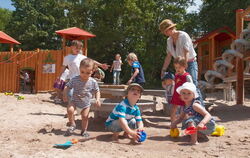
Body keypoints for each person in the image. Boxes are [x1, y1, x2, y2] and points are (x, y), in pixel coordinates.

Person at [159, 19, 204, 105]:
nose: (165, 33)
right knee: (182, 87)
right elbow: (168, 56)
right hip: (179, 65)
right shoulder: (169, 40)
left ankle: (200, 109)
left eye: (165, 31)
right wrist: (163, 69)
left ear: (171, 28)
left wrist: (184, 67)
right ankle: (188, 110)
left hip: (189, 63)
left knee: (192, 85)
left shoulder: (183, 35)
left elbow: (186, 52)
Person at [63, 58, 101, 137]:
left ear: (92, 72)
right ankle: (72, 124)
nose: (84, 74)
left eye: (87, 73)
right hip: (75, 101)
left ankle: (83, 131)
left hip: (86, 104)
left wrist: (97, 99)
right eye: (82, 72)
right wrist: (65, 95)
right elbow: (67, 86)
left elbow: (97, 91)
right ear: (79, 69)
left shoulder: (93, 82)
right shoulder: (75, 79)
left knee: (85, 117)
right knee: (70, 110)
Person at [171, 57, 193, 123]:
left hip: (185, 96)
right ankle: (173, 123)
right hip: (176, 95)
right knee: (173, 109)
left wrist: (190, 96)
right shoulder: (176, 75)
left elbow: (191, 86)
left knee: (186, 110)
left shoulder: (187, 76)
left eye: (179, 67)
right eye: (176, 67)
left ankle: (188, 123)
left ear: (184, 66)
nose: (177, 69)